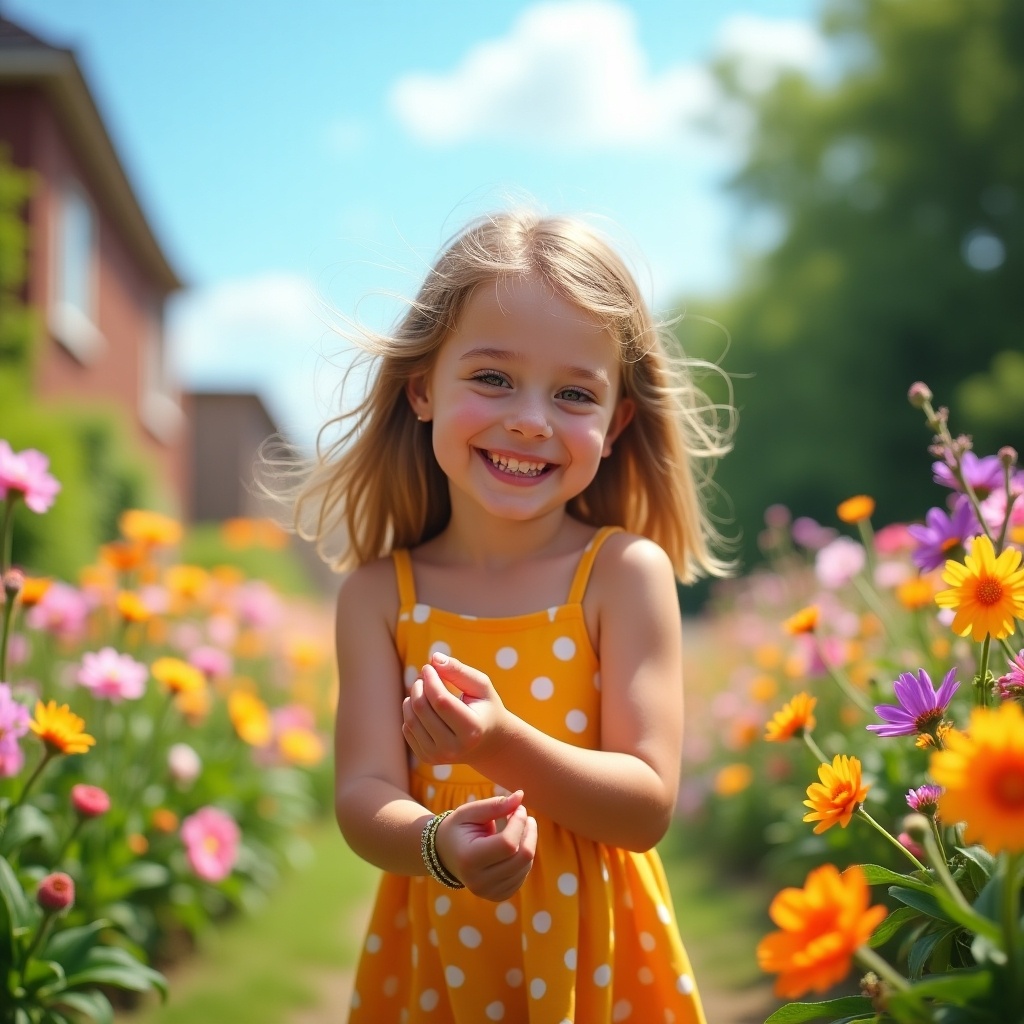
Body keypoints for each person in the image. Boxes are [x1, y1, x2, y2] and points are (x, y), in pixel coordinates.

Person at [293, 210, 733, 1023]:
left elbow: (645, 807)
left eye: (573, 393)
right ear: (422, 386)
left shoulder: (622, 576)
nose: (531, 418)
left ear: (616, 425)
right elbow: (362, 793)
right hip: (438, 949)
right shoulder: (377, 597)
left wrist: (500, 744)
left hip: (594, 955)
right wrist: (437, 844)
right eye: (492, 378)